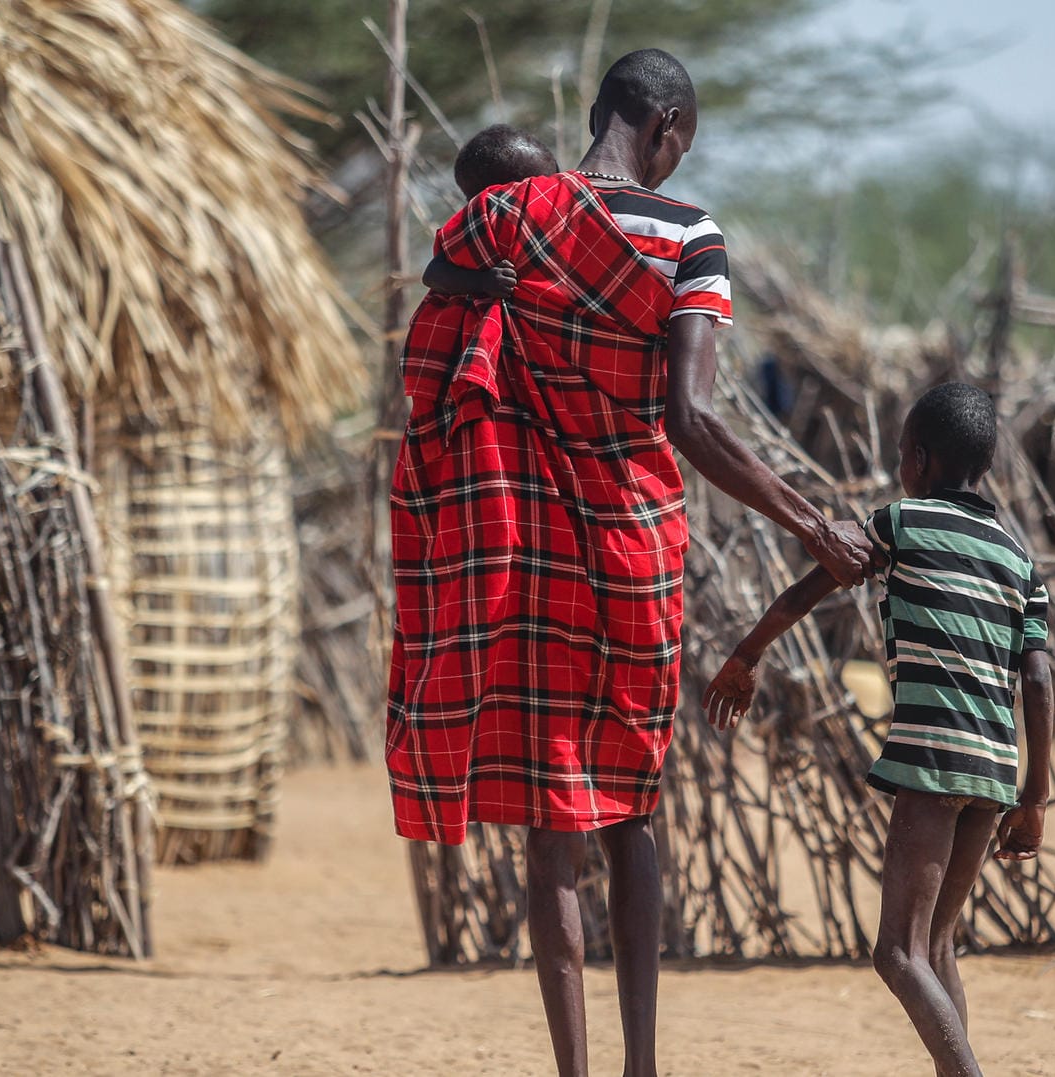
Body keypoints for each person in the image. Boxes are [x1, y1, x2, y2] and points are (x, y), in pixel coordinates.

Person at [386, 48, 874, 1077]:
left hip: (529, 556)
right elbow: (690, 418)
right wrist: (809, 522)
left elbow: (439, 288)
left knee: (551, 828)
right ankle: (641, 1067)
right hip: (631, 549)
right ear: (667, 131)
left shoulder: (507, 213)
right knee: (632, 811)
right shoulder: (688, 233)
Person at [703, 382, 1055, 1077]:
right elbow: (1038, 682)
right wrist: (1034, 796)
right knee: (938, 944)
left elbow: (810, 587)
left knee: (896, 950)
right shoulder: (1019, 562)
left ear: (918, 459)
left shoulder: (900, 523)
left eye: (900, 454)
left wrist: (745, 653)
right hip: (991, 768)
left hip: (931, 757)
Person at [422, 124, 559, 300]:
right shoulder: (474, 232)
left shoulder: (557, 225)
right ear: (493, 203)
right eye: (540, 189)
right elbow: (433, 275)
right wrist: (483, 281)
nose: (555, 192)